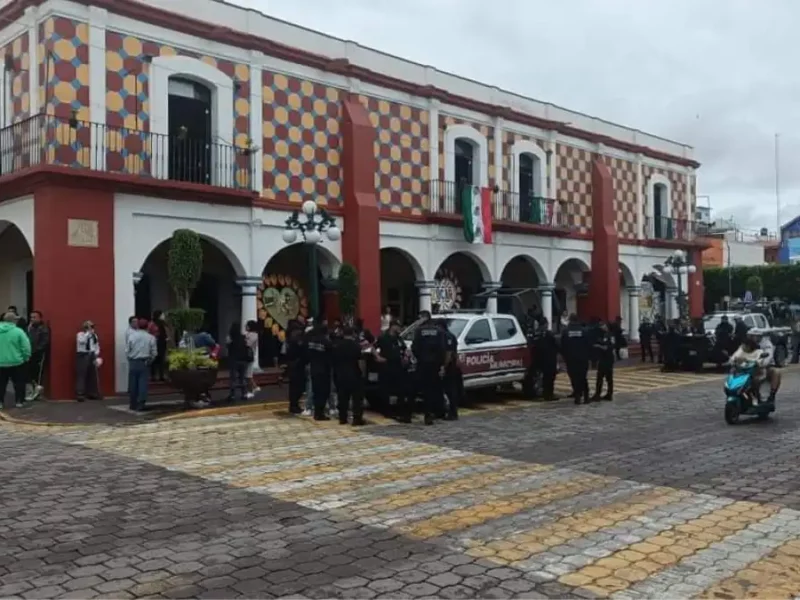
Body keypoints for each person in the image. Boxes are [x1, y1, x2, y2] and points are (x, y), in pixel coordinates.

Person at [411, 310, 446, 425]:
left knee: (421, 389)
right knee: (434, 389)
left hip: (422, 364)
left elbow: (414, 347)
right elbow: (442, 349)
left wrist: (420, 358)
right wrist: (440, 364)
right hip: (434, 365)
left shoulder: (419, 331)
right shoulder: (439, 331)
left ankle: (418, 413)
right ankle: (434, 413)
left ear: (425, 318)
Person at [731, 329, 781, 404]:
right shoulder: (746, 344)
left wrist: (760, 363)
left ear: (759, 336)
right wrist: (734, 360)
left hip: (763, 367)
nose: (750, 338)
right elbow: (737, 354)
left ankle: (771, 396)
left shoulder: (766, 344)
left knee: (776, 372)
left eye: (752, 336)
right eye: (749, 336)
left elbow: (767, 358)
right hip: (746, 367)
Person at [374, 319, 411, 421]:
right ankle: (386, 410)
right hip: (387, 365)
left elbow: (404, 349)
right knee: (386, 390)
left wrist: (406, 356)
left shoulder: (398, 338)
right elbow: (373, 347)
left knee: (401, 389)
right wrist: (378, 357)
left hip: (398, 365)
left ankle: (400, 411)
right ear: (392, 326)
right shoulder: (383, 337)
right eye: (397, 326)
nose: (399, 328)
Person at [334, 326, 366, 426]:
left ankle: (342, 418)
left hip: (341, 375)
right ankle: (357, 419)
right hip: (354, 374)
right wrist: (363, 373)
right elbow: (360, 362)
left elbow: (334, 361)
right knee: (357, 399)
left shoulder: (338, 346)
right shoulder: (356, 346)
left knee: (342, 398)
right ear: (353, 334)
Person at [0, 311, 31, 408]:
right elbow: (26, 347)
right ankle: (19, 401)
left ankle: (0, 402)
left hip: (0, 362)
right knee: (19, 383)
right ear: (14, 320)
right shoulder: (19, 332)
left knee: (1, 384)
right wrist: (25, 358)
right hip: (17, 362)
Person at [126, 318, 157, 411]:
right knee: (142, 384)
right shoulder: (151, 337)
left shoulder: (132, 336)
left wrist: (130, 358)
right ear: (147, 326)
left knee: (133, 384)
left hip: (133, 361)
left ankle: (132, 403)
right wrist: (150, 360)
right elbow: (154, 353)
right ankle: (140, 404)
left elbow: (127, 350)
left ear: (138, 326)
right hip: (144, 361)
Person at [306, 322, 333, 420]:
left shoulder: (312, 341)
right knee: (324, 392)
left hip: (314, 368)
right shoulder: (326, 342)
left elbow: (308, 354)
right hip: (324, 370)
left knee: (316, 391)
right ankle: (320, 413)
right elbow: (331, 356)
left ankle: (317, 412)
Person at [561, 314, 590, 405]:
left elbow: (563, 345)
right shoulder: (584, 330)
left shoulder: (566, 331)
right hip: (583, 358)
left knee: (574, 377)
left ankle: (577, 396)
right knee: (583, 377)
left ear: (570, 320)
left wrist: (565, 356)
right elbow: (588, 344)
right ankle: (586, 396)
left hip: (571, 359)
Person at [438, 319, 462, 420]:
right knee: (450, 390)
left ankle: (452, 413)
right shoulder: (451, 335)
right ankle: (450, 411)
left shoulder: (446, 336)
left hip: (448, 366)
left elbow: (448, 353)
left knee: (449, 390)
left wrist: (444, 366)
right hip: (452, 366)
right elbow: (456, 353)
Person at [26, 310, 50, 401]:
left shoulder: (43, 329)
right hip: (30, 354)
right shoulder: (30, 328)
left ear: (40, 318)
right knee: (30, 374)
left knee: (38, 374)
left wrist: (35, 351)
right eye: (31, 317)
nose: (32, 319)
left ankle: (37, 393)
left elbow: (44, 342)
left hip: (39, 355)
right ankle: (33, 391)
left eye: (34, 317)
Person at [75, 320, 101, 401]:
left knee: (93, 374)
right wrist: (88, 333)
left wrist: (96, 353)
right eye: (88, 327)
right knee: (82, 374)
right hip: (83, 354)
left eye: (92, 326)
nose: (91, 328)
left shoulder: (94, 336)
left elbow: (96, 345)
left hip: (92, 354)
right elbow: (82, 341)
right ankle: (80, 394)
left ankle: (93, 393)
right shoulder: (80, 334)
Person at [284, 324, 306, 414]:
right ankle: (294, 405)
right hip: (296, 366)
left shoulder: (292, 341)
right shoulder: (295, 342)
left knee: (296, 387)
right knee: (297, 387)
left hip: (295, 366)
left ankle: (294, 405)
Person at [226, 323, 249, 403]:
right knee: (242, 377)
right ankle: (244, 394)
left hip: (234, 360)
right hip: (243, 360)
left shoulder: (230, 337)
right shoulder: (243, 337)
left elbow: (228, 347)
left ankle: (232, 395)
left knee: (233, 378)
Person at [536, 318, 559, 401]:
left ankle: (545, 394)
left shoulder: (536, 333)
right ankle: (549, 394)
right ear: (545, 324)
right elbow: (556, 345)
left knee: (545, 377)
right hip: (550, 359)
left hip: (540, 359)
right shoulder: (549, 334)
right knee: (550, 378)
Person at [593, 321, 614, 401]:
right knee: (608, 378)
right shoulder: (607, 335)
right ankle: (609, 394)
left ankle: (598, 394)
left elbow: (607, 348)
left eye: (603, 325)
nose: (601, 327)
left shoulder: (608, 335)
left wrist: (598, 346)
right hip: (607, 358)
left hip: (606, 359)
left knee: (600, 377)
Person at [150, 310, 168, 382]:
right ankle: (153, 376)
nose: (164, 316)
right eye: (162, 315)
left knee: (161, 359)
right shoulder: (152, 324)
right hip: (155, 343)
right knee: (154, 359)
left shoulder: (164, 323)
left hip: (162, 343)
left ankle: (161, 375)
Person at [244, 320, 260, 399]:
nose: (245, 327)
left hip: (249, 356)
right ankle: (254, 387)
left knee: (248, 375)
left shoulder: (253, 335)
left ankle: (251, 390)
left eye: (246, 325)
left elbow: (248, 344)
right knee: (248, 374)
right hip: (248, 356)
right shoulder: (249, 334)